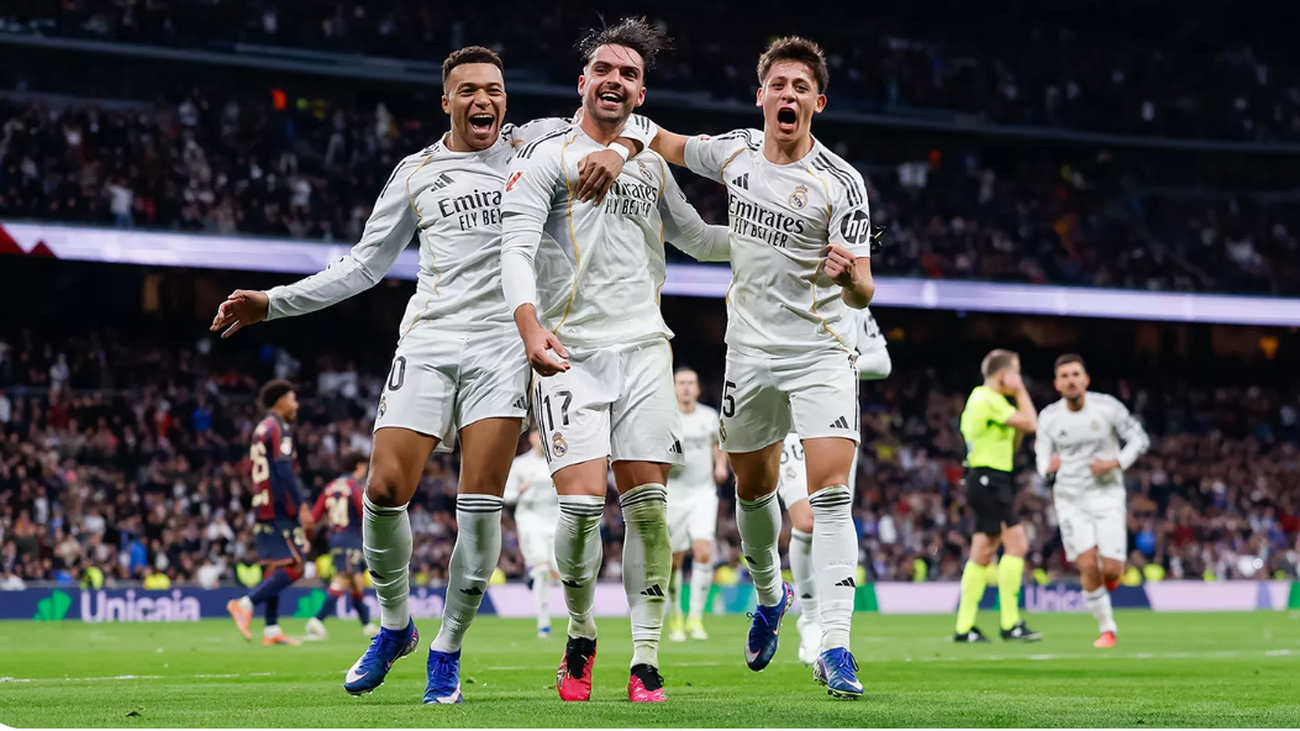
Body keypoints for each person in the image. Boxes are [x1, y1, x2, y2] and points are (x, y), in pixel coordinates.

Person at [209, 46, 652, 704]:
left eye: (495, 90)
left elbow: (630, 118)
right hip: (431, 338)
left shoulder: (534, 146)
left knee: (477, 507)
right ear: (446, 101)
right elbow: (362, 266)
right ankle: (394, 626)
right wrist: (272, 303)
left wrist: (620, 150)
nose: (484, 101)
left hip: (506, 343)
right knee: (384, 488)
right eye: (469, 90)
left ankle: (447, 647)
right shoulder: (416, 172)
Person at [499, 17, 731, 703]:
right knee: (576, 511)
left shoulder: (652, 162)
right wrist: (529, 326)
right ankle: (580, 630)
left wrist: (782, 239)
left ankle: (647, 657)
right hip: (571, 353)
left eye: (629, 75)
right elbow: (514, 248)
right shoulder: (546, 156)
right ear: (583, 82)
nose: (615, 81)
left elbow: (698, 239)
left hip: (645, 351)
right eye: (605, 69)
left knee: (649, 511)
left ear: (641, 94)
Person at [641, 36, 877, 698]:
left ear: (818, 103)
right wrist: (621, 119)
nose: (789, 94)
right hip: (749, 351)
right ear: (761, 96)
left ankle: (834, 643)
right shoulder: (736, 152)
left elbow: (864, 285)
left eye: (802, 86)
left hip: (820, 350)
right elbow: (669, 143)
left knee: (830, 494)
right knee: (752, 488)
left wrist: (849, 281)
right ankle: (770, 594)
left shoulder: (843, 182)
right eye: (779, 83)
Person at [782, 308, 891, 666]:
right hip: (786, 424)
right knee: (807, 521)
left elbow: (883, 362)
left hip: (835, 420)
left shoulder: (853, 306)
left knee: (829, 517)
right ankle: (810, 618)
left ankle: (830, 631)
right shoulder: (779, 285)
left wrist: (842, 362)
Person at [1035, 354, 1149, 648]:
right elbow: (1041, 457)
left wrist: (1117, 461)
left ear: (1086, 380)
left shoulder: (1107, 407)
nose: (1071, 380)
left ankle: (1109, 578)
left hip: (1107, 495)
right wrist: (1048, 467)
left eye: (1075, 374)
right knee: (1087, 565)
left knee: (1111, 571)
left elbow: (1139, 439)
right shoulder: (1049, 417)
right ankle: (1107, 629)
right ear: (1057, 384)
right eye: (1064, 376)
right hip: (1070, 498)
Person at [954, 349, 1041, 644]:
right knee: (1017, 543)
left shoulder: (984, 401)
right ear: (1003, 375)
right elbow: (1031, 423)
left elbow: (1015, 443)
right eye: (1016, 372)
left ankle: (964, 627)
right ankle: (1010, 622)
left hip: (987, 477)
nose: (1019, 378)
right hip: (989, 478)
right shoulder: (987, 398)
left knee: (983, 548)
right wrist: (1020, 390)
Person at [226, 380, 308, 647]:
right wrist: (302, 504)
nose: (296, 405)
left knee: (276, 566)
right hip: (279, 507)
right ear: (281, 401)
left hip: (262, 503)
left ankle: (271, 629)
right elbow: (284, 471)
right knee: (297, 566)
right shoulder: (278, 427)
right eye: (293, 399)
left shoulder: (261, 427)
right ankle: (245, 604)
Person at [665, 366, 727, 642]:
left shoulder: (708, 417)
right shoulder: (667, 417)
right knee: (674, 560)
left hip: (703, 492)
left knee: (703, 550)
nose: (686, 387)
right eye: (681, 383)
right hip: (674, 494)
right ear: (674, 387)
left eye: (691, 382)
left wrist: (721, 466)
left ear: (698, 388)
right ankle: (676, 616)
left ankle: (695, 617)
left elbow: (718, 445)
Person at [305, 452, 380, 640]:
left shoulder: (330, 487)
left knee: (356, 581)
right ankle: (317, 620)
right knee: (343, 578)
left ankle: (367, 625)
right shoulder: (354, 487)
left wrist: (308, 536)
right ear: (359, 466)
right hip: (349, 538)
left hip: (335, 537)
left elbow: (314, 516)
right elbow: (364, 512)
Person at [502, 431, 561, 639]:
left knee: (560, 574)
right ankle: (543, 624)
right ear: (531, 439)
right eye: (538, 436)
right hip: (530, 521)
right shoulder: (520, 464)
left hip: (555, 520)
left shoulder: (558, 461)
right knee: (543, 569)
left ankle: (534, 575)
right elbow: (507, 496)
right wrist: (520, 490)